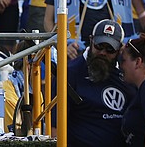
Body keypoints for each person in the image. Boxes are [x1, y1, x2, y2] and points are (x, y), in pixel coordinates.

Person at [53, 19, 136, 147]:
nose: (103, 52)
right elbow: (55, 124)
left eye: (110, 49)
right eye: (99, 45)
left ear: (120, 49)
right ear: (91, 40)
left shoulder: (126, 75)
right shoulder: (70, 73)